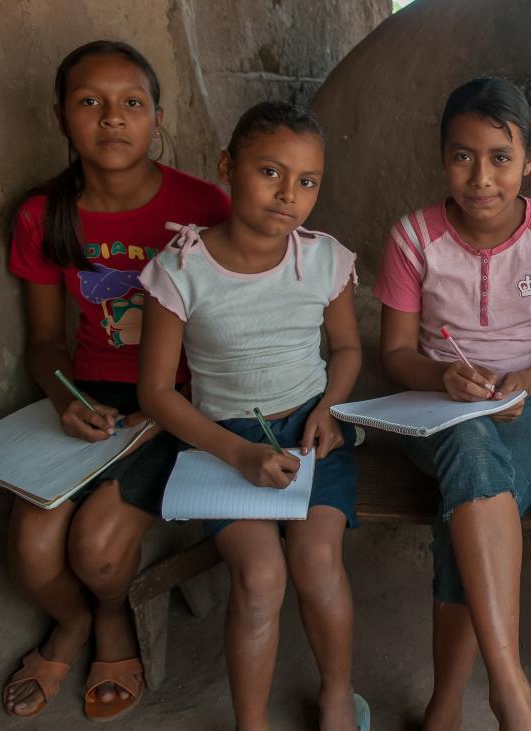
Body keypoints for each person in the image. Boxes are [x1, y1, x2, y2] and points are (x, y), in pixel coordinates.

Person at [4, 40, 229, 721]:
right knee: (32, 547)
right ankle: (72, 621)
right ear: (60, 118)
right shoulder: (43, 216)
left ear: (157, 118)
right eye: (90, 104)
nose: (111, 119)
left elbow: (230, 333)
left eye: (131, 104)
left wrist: (169, 408)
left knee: (97, 549)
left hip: (185, 398)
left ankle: (109, 619)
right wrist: (65, 400)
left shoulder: (202, 206)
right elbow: (45, 343)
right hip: (93, 396)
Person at [373, 76, 531, 730]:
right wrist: (445, 378)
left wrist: (522, 384)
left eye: (500, 157)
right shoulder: (414, 236)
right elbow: (395, 355)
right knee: (468, 446)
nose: (481, 177)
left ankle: (446, 705)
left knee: (464, 507)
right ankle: (510, 688)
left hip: (530, 409)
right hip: (430, 410)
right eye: (462, 156)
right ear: (442, 157)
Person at [138, 101, 366, 731]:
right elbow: (156, 392)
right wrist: (236, 453)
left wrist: (327, 408)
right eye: (270, 172)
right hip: (220, 443)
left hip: (313, 433)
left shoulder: (324, 260)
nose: (288, 195)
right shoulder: (181, 270)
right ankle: (252, 723)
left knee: (317, 563)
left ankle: (338, 695)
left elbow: (346, 349)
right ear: (226, 167)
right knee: (261, 575)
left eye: (308, 181)